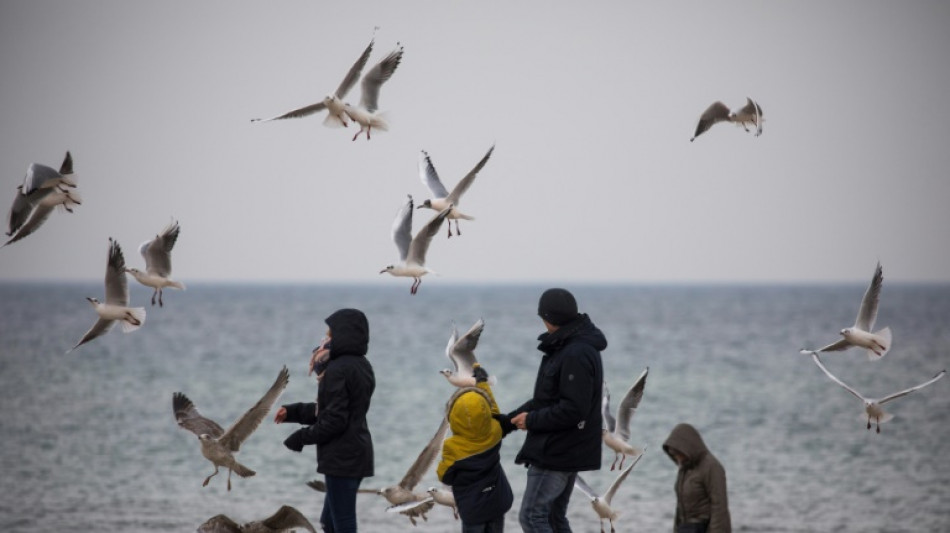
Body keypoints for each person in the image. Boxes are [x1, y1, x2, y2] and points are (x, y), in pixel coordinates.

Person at [506, 288, 606, 533]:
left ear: (547, 317)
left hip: (558, 451)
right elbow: (546, 400)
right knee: (552, 518)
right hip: (566, 449)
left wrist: (531, 420)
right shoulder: (568, 346)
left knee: (532, 517)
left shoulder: (575, 352)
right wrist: (505, 423)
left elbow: (573, 409)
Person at [275, 308, 376, 533]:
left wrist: (301, 438)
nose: (325, 340)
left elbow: (335, 420)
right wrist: (292, 412)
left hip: (342, 458)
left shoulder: (338, 369)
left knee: (342, 522)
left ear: (344, 336)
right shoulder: (362, 365)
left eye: (330, 335)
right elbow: (332, 411)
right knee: (329, 523)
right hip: (356, 453)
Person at [437, 363, 514, 532]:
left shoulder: (452, 447)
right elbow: (493, 411)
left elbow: (445, 476)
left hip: (473, 510)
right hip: (497, 503)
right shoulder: (495, 431)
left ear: (453, 416)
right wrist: (483, 383)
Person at [662, 423, 732, 533]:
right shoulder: (685, 468)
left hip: (703, 528)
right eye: (673, 454)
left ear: (687, 447)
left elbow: (719, 506)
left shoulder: (712, 467)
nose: (677, 458)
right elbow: (680, 508)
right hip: (685, 528)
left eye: (678, 453)